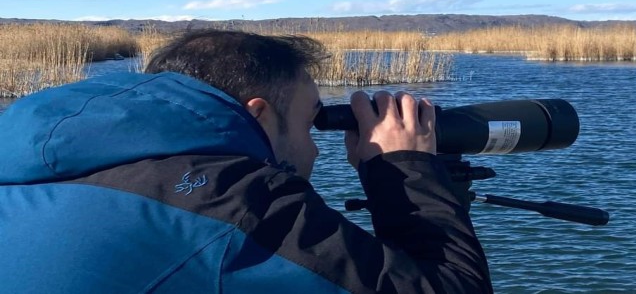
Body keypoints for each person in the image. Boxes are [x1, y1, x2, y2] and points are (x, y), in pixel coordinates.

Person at [0, 29, 493, 293]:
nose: (315, 148)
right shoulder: (229, 201)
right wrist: (404, 168)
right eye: (310, 122)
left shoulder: (25, 163)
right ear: (258, 114)